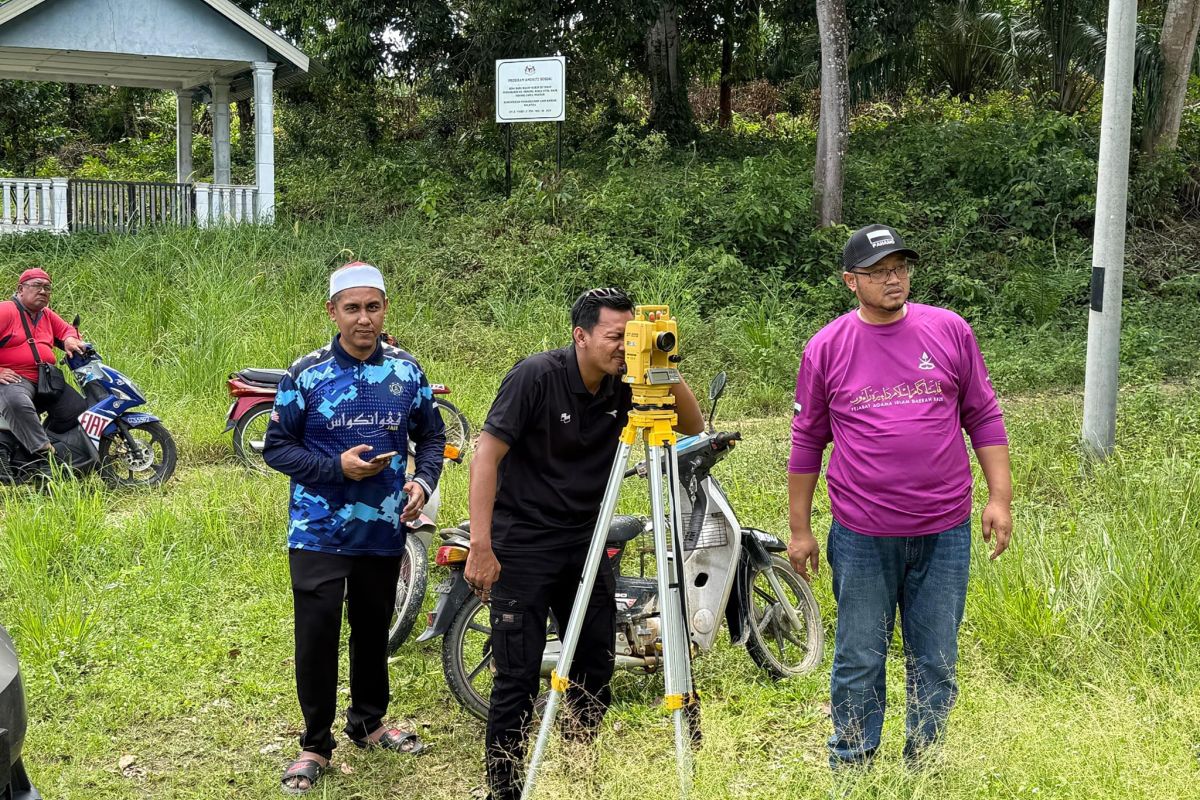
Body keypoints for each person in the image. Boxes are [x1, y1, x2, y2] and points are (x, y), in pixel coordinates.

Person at [786, 224, 1013, 768]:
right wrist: (799, 529)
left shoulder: (949, 330)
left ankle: (924, 758)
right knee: (859, 655)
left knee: (935, 656)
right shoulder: (827, 347)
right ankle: (853, 760)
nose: (895, 279)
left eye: (901, 268)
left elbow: (982, 414)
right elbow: (807, 440)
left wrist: (999, 498)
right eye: (880, 271)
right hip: (863, 533)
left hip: (945, 528)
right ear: (850, 281)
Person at [465, 287, 704, 800]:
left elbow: (692, 425)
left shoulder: (629, 383)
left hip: (586, 544)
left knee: (595, 663)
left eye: (632, 336)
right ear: (581, 336)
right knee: (518, 677)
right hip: (523, 543)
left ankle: (580, 763)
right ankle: (503, 788)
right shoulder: (536, 377)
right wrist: (481, 545)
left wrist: (660, 360)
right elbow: (486, 455)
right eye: (617, 337)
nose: (625, 347)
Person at [263, 262, 446, 795]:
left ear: (385, 308)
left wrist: (422, 481)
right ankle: (315, 742)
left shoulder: (408, 373)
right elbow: (278, 447)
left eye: (373, 307)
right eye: (352, 308)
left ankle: (368, 721)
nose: (363, 319)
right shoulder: (306, 374)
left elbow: (431, 437)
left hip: (384, 528)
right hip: (317, 530)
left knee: (372, 629)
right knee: (317, 635)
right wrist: (334, 469)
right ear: (333, 312)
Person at [0, 268, 88, 481]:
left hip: (45, 380)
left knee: (79, 411)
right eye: (37, 286)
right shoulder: (6, 311)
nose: (43, 291)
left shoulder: (46, 315)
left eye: (47, 287)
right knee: (17, 402)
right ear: (21, 289)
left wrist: (68, 338)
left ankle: (38, 449)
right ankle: (44, 456)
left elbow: (68, 330)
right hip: (15, 378)